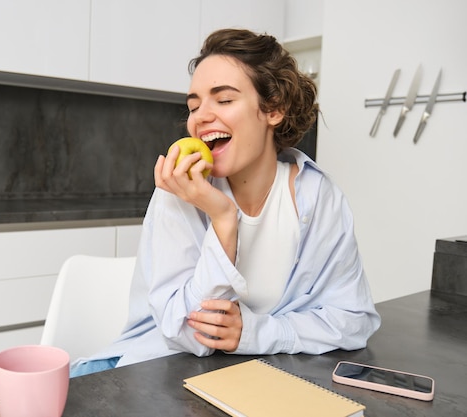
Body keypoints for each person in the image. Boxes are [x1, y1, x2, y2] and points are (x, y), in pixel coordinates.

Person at [70, 28, 380, 377]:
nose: (200, 116)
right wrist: (222, 217)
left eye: (224, 99)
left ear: (273, 108)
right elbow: (192, 336)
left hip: (266, 380)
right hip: (161, 375)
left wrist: (256, 332)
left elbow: (355, 321)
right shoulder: (180, 192)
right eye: (194, 105)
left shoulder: (317, 197)